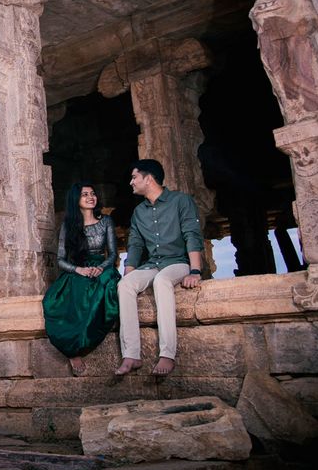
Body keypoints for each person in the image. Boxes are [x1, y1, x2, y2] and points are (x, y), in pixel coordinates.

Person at [115, 159, 204, 377]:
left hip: (178, 263)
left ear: (149, 178)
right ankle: (132, 355)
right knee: (125, 285)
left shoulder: (181, 201)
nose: (131, 182)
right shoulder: (139, 212)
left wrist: (195, 271)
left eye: (134, 177)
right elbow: (134, 244)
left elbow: (192, 235)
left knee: (162, 281)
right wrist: (130, 274)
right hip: (153, 263)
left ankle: (167, 354)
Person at [42, 182, 120, 376]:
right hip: (77, 268)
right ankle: (72, 350)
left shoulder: (106, 221)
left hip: (102, 267)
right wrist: (79, 270)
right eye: (85, 194)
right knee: (64, 298)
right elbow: (60, 259)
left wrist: (100, 268)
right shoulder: (68, 226)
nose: (90, 197)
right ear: (76, 200)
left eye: (93, 193)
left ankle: (87, 339)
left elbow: (112, 254)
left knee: (105, 286)